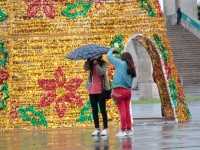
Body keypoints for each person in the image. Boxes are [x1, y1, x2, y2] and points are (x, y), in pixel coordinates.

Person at [107, 49, 136, 137]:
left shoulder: (120, 63)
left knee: (122, 111)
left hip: (119, 90)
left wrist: (111, 50)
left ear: (123, 58)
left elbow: (108, 56)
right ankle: (129, 129)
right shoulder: (131, 67)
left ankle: (123, 130)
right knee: (127, 111)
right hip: (128, 91)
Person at [84, 56, 110, 136]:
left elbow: (101, 72)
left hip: (101, 89)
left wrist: (96, 65)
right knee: (94, 110)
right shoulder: (91, 62)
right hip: (92, 90)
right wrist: (88, 61)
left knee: (102, 110)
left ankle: (105, 128)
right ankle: (97, 128)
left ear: (100, 56)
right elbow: (85, 68)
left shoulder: (104, 63)